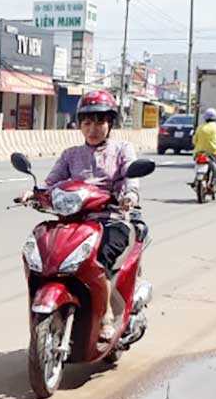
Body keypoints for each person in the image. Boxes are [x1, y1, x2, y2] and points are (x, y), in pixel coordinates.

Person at [27, 89, 142, 342]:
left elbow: (131, 179)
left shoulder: (122, 149)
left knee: (101, 259)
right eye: (87, 122)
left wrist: (128, 197)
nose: (93, 128)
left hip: (111, 219)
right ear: (79, 125)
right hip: (74, 220)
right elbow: (50, 182)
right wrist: (33, 194)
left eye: (100, 121)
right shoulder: (70, 155)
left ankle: (107, 315)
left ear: (110, 123)